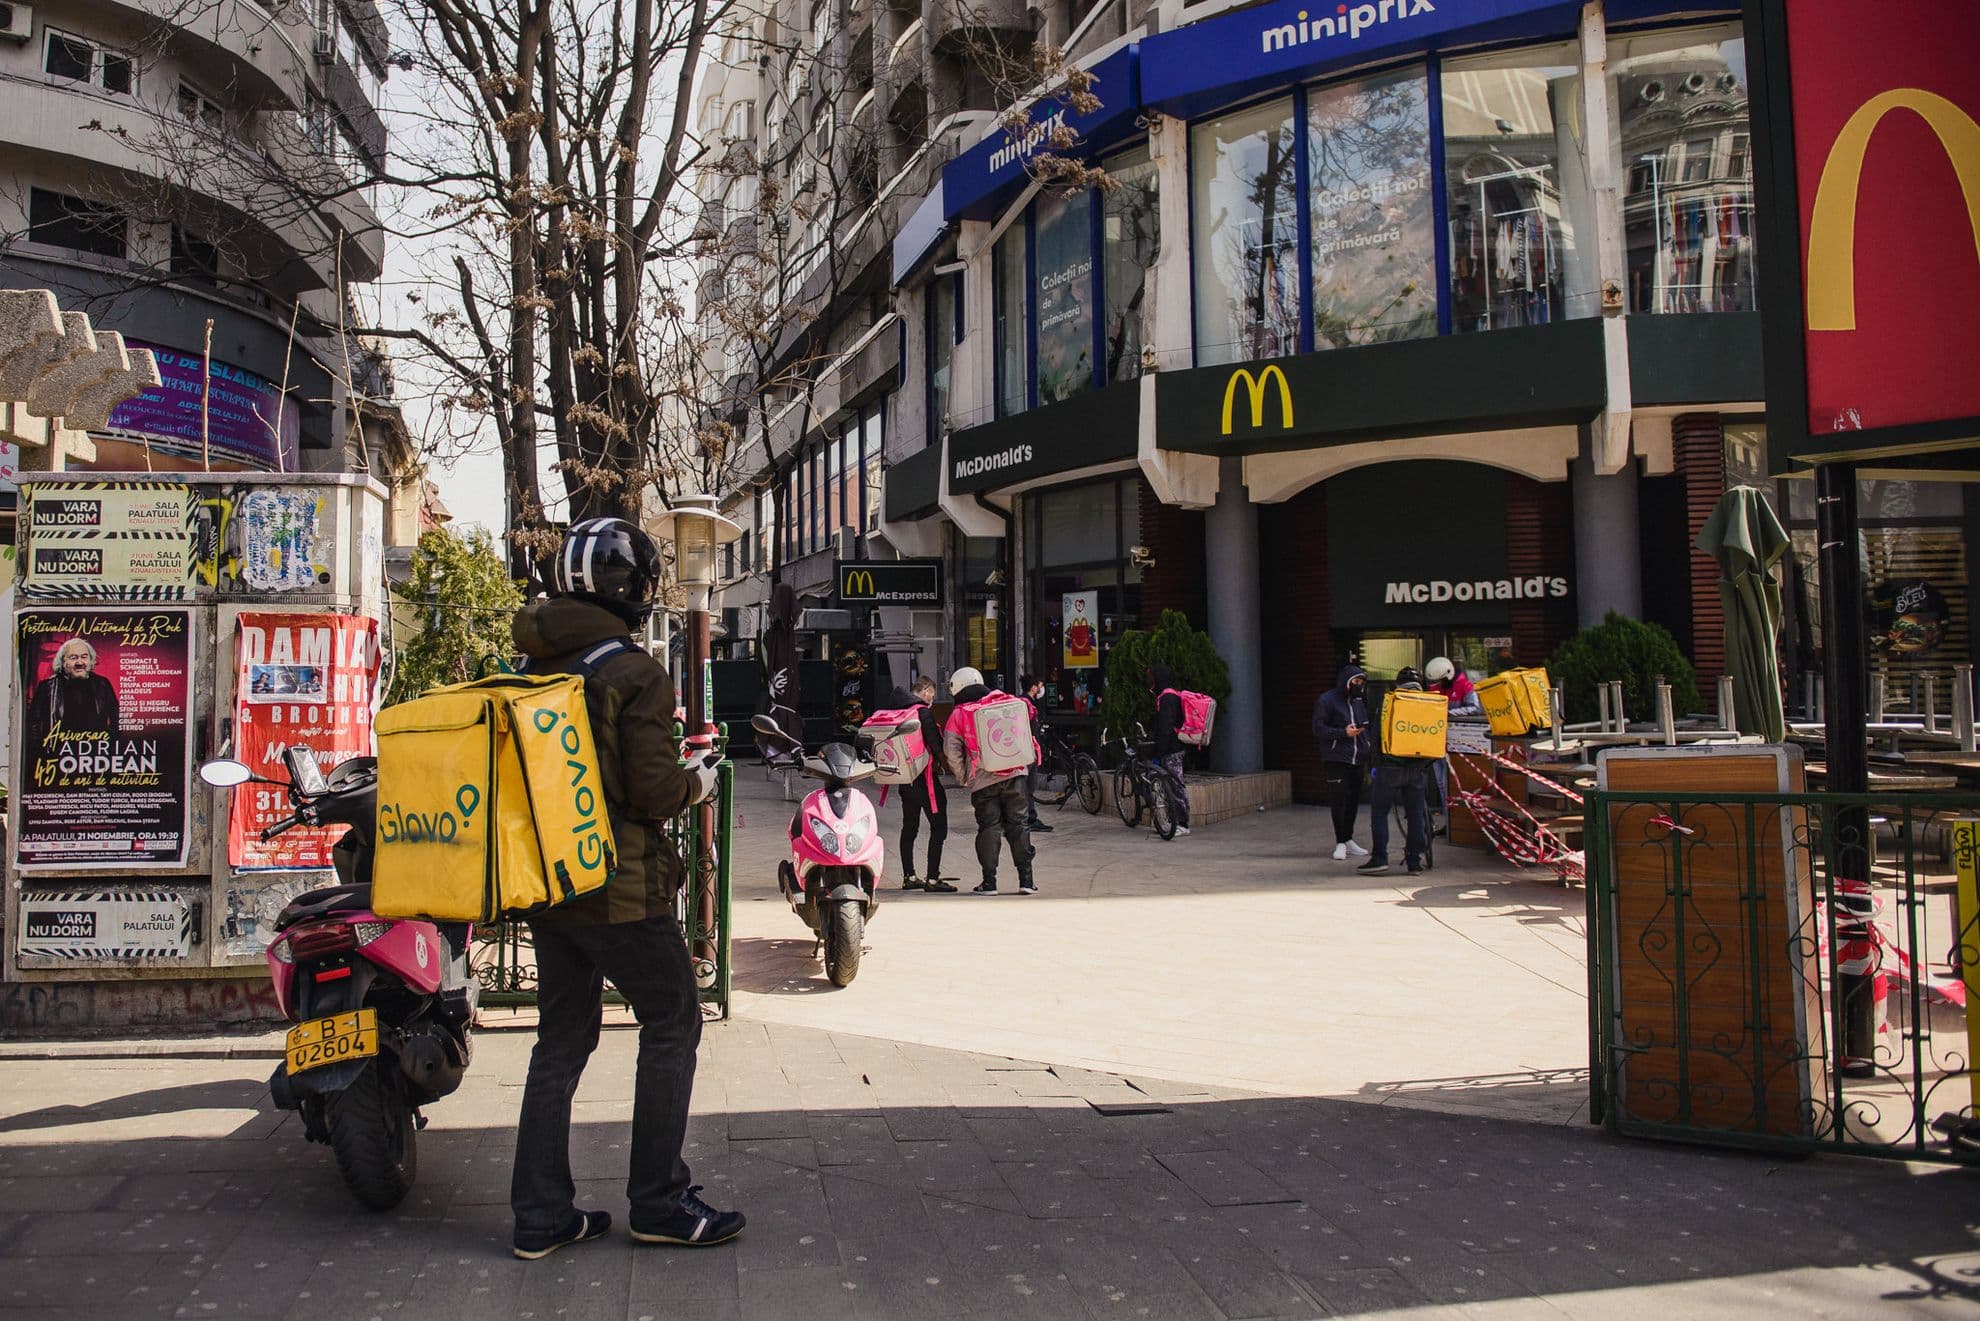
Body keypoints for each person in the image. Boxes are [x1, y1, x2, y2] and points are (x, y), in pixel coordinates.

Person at [508, 518, 744, 1260]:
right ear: (630, 591)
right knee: (673, 1019)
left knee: (561, 1039)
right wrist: (696, 780)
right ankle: (660, 1200)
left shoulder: (532, 663)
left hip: (548, 882)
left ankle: (541, 1214)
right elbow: (651, 789)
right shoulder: (633, 671)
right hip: (619, 887)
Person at [942, 667, 1036, 896]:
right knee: (1019, 825)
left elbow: (951, 749)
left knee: (989, 829)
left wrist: (964, 776)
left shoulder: (960, 713)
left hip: (983, 780)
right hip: (1015, 775)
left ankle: (989, 883)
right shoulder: (1006, 702)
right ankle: (1026, 881)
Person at [1359, 666, 1435, 877]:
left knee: (1380, 812)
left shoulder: (1390, 702)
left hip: (1389, 768)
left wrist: (1373, 765)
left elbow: (1375, 736)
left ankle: (1380, 858)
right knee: (1415, 815)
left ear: (1398, 684)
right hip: (1418, 769)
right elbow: (1436, 737)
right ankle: (1414, 862)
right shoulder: (1430, 704)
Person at [895, 676, 956, 892]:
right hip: (925, 780)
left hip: (905, 780)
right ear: (927, 691)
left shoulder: (899, 712)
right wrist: (954, 769)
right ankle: (932, 879)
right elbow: (936, 746)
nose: (932, 698)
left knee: (909, 827)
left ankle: (909, 876)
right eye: (932, 694)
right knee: (939, 827)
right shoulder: (923, 712)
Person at [1312, 664, 1372, 861]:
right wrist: (1342, 733)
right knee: (1339, 800)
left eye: (1361, 682)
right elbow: (1318, 728)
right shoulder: (1327, 700)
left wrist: (1367, 747)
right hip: (1336, 757)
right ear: (1346, 682)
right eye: (1355, 682)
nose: (1358, 686)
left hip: (1357, 757)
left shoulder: (1358, 701)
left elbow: (1365, 725)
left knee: (1353, 800)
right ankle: (1340, 841)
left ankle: (1348, 839)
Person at [24, 637, 119, 755]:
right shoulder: (47, 687)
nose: (80, 662)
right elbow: (33, 723)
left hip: (96, 755)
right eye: (73, 658)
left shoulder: (102, 684)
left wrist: (108, 746)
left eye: (84, 657)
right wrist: (42, 751)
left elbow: (117, 719)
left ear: (91, 660)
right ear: (63, 662)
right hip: (58, 755)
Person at [1423, 657, 1477, 836]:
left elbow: (1474, 708)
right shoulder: (1435, 687)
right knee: (1441, 785)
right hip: (1437, 742)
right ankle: (1449, 823)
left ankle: (1458, 825)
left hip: (1458, 744)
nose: (1437, 684)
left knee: (1453, 785)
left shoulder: (1465, 686)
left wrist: (1448, 713)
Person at [1147, 663, 1191, 837]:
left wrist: (1159, 752)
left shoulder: (1167, 698)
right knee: (1172, 785)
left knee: (1176, 786)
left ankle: (1182, 823)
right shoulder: (1169, 695)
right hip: (1173, 747)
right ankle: (1175, 822)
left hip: (1172, 749)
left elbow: (1166, 727)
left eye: (1151, 677)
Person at [1020, 674, 1054, 833]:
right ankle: (1029, 818)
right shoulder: (1026, 704)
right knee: (1028, 786)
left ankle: (1027, 817)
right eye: (1039, 686)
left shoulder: (1025, 703)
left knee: (1027, 786)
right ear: (1033, 687)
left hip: (1029, 750)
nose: (1041, 689)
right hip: (1028, 751)